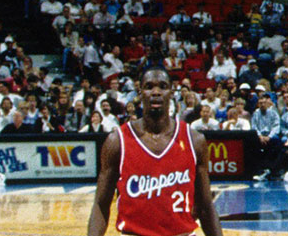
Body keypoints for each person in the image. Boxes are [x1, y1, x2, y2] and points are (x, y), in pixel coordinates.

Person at [87, 64, 222, 236]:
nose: (156, 92)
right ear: (140, 92)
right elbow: (100, 204)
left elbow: (205, 207)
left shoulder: (194, 140)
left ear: (172, 93)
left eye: (163, 87)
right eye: (149, 87)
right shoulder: (117, 141)